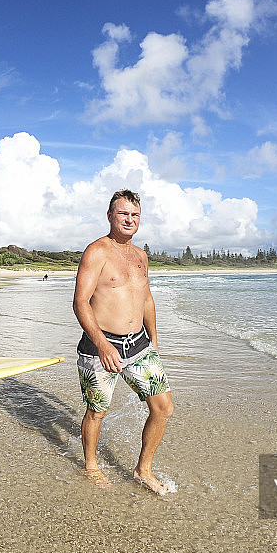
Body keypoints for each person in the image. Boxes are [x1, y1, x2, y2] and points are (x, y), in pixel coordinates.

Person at [72, 189, 174, 495]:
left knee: (163, 407)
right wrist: (103, 344)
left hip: (140, 345)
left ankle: (143, 470)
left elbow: (146, 298)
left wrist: (154, 338)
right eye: (123, 213)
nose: (129, 220)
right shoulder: (97, 252)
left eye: (134, 215)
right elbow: (80, 302)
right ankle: (91, 465)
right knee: (97, 411)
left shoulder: (140, 255)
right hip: (101, 346)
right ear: (110, 216)